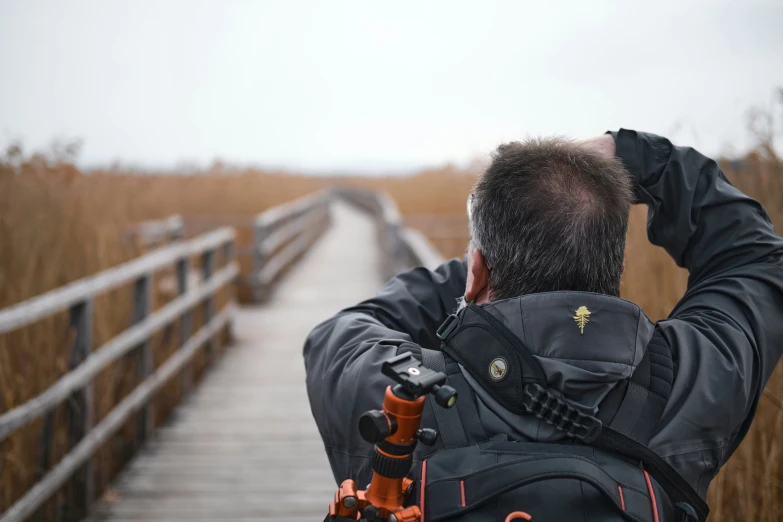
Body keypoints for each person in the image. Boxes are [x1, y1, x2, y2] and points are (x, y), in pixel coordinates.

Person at [303, 129, 783, 520]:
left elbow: (345, 330)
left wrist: (480, 268)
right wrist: (636, 155)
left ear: (476, 270)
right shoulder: (692, 381)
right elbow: (754, 258)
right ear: (615, 268)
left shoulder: (397, 395)